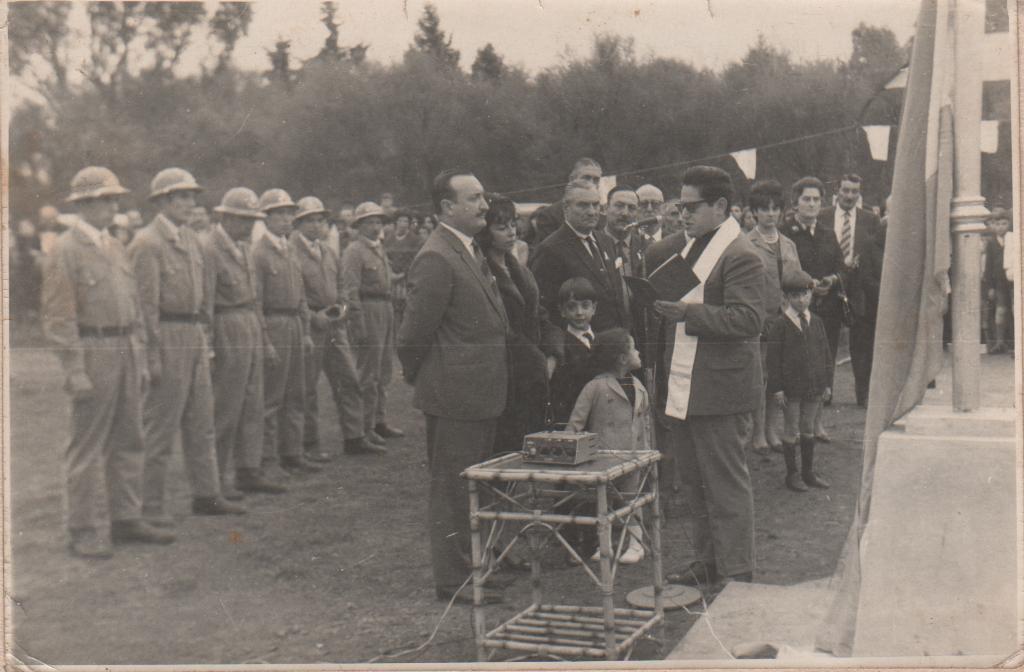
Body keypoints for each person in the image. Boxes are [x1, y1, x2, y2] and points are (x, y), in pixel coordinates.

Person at [42, 166, 175, 557]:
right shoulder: (65, 250)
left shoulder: (116, 245)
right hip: (94, 349)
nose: (113, 205)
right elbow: (58, 317)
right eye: (104, 199)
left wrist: (141, 352)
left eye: (115, 199)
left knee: (130, 437)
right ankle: (82, 527)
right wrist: (74, 369)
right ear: (83, 204)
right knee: (86, 444)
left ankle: (126, 518)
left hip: (125, 347)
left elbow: (133, 303)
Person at [397, 169, 511, 605]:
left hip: (479, 393)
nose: (485, 206)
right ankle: (454, 579)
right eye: (474, 198)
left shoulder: (464, 249)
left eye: (483, 196)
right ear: (447, 208)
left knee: (474, 488)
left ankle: (474, 569)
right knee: (452, 491)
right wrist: (428, 377)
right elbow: (412, 336)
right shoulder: (437, 257)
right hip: (456, 396)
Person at [649, 165, 764, 588]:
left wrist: (687, 314)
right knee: (695, 484)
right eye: (680, 206)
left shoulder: (741, 254)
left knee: (726, 486)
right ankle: (707, 560)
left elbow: (749, 319)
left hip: (721, 391)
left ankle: (737, 572)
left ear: (720, 206)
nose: (683, 214)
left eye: (692, 206)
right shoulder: (696, 246)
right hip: (687, 384)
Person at [131, 168, 245, 522]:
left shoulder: (193, 239)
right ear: (162, 201)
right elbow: (144, 307)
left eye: (191, 196)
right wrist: (151, 356)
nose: (189, 203)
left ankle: (207, 494)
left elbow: (204, 297)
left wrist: (206, 340)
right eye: (180, 196)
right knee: (161, 426)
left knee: (202, 420)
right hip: (166, 335)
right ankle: (149, 507)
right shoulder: (147, 243)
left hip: (194, 335)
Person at [200, 188, 287, 496]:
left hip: (248, 322)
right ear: (224, 217)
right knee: (227, 405)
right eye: (242, 219)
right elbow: (205, 303)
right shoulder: (210, 249)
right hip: (226, 326)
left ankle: (249, 469)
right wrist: (208, 346)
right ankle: (218, 476)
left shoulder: (243, 246)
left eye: (252, 219)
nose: (249, 225)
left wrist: (263, 338)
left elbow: (255, 300)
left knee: (253, 402)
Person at [292, 196, 385, 458]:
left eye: (319, 220)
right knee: (307, 388)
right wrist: (312, 317)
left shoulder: (328, 250)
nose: (315, 225)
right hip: (310, 327)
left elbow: (343, 286)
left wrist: (342, 310)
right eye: (308, 220)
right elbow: (293, 295)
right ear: (298, 223)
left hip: (335, 326)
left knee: (350, 380)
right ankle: (308, 445)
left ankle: (354, 438)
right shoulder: (291, 251)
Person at [566, 328, 653, 564]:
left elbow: (644, 422)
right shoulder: (595, 388)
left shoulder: (639, 386)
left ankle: (636, 544)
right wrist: (569, 453)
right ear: (622, 358)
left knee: (632, 501)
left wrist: (646, 454)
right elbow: (576, 423)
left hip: (632, 457)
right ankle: (604, 545)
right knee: (602, 504)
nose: (639, 352)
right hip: (602, 460)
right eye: (634, 348)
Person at [253, 188, 322, 476]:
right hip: (275, 323)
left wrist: (305, 331)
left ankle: (293, 452)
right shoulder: (260, 253)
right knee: (272, 397)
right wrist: (265, 339)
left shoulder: (289, 248)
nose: (285, 219)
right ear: (266, 218)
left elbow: (302, 295)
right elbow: (256, 302)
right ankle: (269, 459)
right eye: (278, 213)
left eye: (288, 213)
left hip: (295, 324)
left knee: (297, 392)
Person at [479, 193, 550, 454]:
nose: (511, 232)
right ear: (485, 232)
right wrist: (536, 358)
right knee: (507, 447)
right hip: (506, 371)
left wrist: (552, 351)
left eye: (512, 225)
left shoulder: (518, 267)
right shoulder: (482, 271)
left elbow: (538, 311)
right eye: (501, 227)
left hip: (530, 371)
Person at [781, 177, 843, 440]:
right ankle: (793, 428)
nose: (812, 204)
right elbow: (785, 269)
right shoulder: (785, 232)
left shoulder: (828, 233)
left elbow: (841, 266)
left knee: (822, 366)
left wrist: (833, 279)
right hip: (796, 309)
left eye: (816, 199)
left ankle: (817, 424)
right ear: (796, 202)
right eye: (806, 199)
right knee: (797, 368)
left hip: (826, 309)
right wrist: (808, 283)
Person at [530, 180, 631, 335]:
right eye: (583, 205)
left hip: (615, 344)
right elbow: (546, 312)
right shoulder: (550, 250)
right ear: (566, 208)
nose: (591, 212)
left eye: (595, 205)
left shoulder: (606, 241)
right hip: (581, 350)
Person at [746, 180, 802, 453]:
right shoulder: (746, 243)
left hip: (785, 320)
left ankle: (771, 428)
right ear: (754, 212)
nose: (770, 214)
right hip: (759, 320)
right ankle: (757, 433)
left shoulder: (789, 244)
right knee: (760, 377)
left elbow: (797, 281)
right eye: (764, 209)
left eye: (775, 209)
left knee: (779, 376)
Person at [342, 201, 405, 445]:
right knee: (368, 372)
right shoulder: (354, 251)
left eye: (378, 221)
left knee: (384, 369)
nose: (375, 226)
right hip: (368, 310)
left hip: (385, 308)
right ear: (358, 226)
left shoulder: (378, 247)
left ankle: (379, 421)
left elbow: (386, 278)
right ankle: (364, 427)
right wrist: (358, 323)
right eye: (369, 222)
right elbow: (350, 290)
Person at [818, 174, 883, 406]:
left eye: (854, 192)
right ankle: (825, 393)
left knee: (862, 347)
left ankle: (863, 395)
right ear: (837, 191)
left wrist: (860, 262)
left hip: (859, 290)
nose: (849, 196)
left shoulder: (870, 220)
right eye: (845, 191)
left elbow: (874, 254)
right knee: (827, 343)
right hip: (830, 287)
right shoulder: (822, 216)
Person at [765, 269, 832, 492]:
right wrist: (777, 389)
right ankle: (792, 474)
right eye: (795, 296)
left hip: (813, 387)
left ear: (812, 294)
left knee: (808, 427)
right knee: (791, 428)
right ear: (786, 298)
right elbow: (773, 361)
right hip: (791, 389)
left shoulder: (817, 322)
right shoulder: (780, 325)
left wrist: (827, 384)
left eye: (804, 294)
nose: (801, 300)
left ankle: (808, 472)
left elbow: (825, 354)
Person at [548, 277, 599, 425]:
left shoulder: (601, 341)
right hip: (575, 416)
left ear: (594, 308)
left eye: (585, 306)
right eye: (572, 307)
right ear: (562, 311)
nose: (579, 312)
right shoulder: (562, 345)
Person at [531, 157, 603, 243]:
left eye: (596, 180)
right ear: (571, 179)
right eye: (586, 178)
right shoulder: (549, 216)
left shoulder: (601, 217)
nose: (591, 183)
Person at [604, 185, 643, 277]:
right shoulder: (594, 245)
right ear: (605, 208)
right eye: (619, 206)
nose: (625, 213)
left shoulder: (644, 246)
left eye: (631, 208)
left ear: (637, 213)